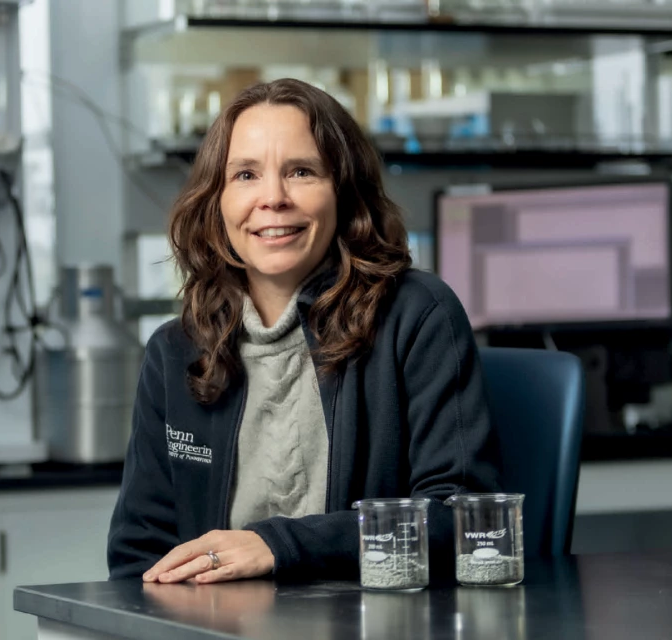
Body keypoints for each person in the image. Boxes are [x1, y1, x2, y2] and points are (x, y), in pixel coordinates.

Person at [107, 78, 501, 585]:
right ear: (217, 201)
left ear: (343, 191)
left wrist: (279, 545)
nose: (273, 198)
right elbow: (140, 556)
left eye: (301, 171)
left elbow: (461, 520)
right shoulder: (176, 349)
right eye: (246, 174)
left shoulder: (417, 315)